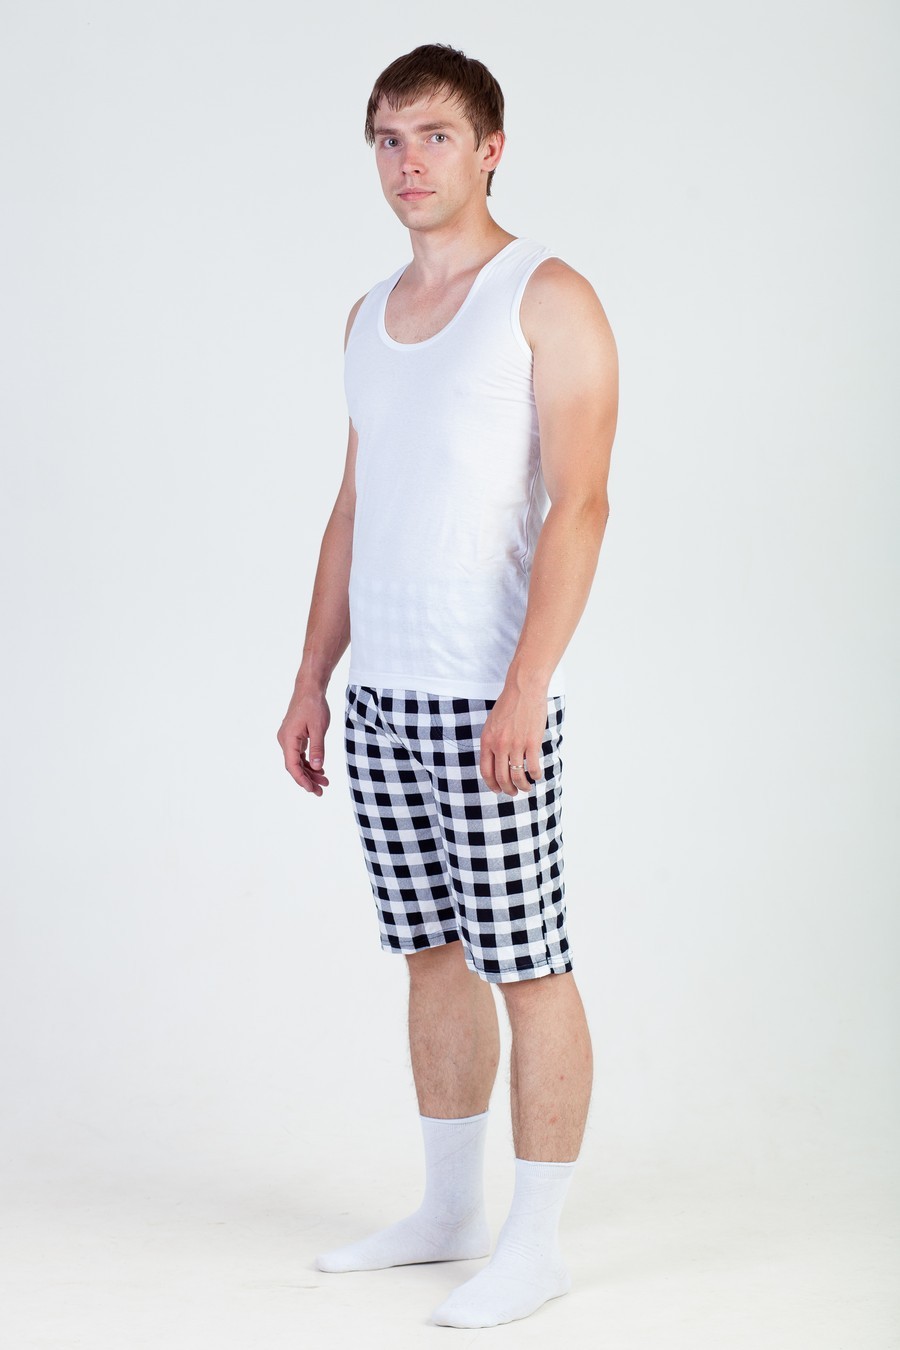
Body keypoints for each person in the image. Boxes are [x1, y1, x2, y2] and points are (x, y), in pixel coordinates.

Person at [277, 42, 618, 1329]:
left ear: (490, 149)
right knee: (429, 957)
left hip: (488, 701)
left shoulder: (548, 295)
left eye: (432, 135)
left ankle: (538, 1243)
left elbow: (582, 504)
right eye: (387, 138)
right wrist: (313, 677)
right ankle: (446, 1211)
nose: (407, 161)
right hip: (382, 699)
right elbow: (353, 504)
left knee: (528, 962)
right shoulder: (367, 315)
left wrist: (529, 685)